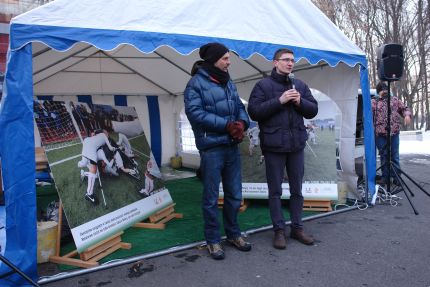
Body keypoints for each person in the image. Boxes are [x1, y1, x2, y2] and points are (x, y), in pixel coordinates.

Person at [184, 42, 251, 260]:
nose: (229, 62)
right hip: (212, 148)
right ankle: (213, 240)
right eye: (225, 58)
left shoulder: (228, 81)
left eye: (229, 58)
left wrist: (242, 123)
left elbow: (240, 106)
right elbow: (195, 113)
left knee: (235, 194)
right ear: (213, 60)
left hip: (231, 146)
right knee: (211, 198)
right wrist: (225, 125)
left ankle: (233, 234)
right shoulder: (195, 84)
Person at [248, 48, 318, 250]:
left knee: (297, 190)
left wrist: (299, 101)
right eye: (285, 60)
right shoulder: (263, 85)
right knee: (275, 191)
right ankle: (279, 230)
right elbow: (254, 112)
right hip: (273, 146)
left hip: (296, 145)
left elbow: (313, 110)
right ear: (275, 63)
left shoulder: (300, 85)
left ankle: (297, 228)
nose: (290, 63)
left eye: (292, 60)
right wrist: (280, 101)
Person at [372, 82, 411, 185]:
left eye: (385, 89)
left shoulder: (394, 100)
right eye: (382, 90)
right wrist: (378, 99)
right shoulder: (374, 101)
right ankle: (385, 177)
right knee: (384, 156)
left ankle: (397, 177)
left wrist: (407, 115)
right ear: (378, 91)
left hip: (394, 133)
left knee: (394, 156)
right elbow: (368, 114)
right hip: (380, 135)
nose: (384, 91)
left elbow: (404, 108)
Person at [78, 130, 115, 204]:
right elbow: (111, 148)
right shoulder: (104, 136)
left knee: (93, 172)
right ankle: (89, 194)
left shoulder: (97, 136)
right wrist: (114, 149)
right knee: (94, 170)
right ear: (104, 133)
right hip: (91, 149)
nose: (107, 133)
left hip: (86, 141)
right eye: (106, 132)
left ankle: (83, 172)